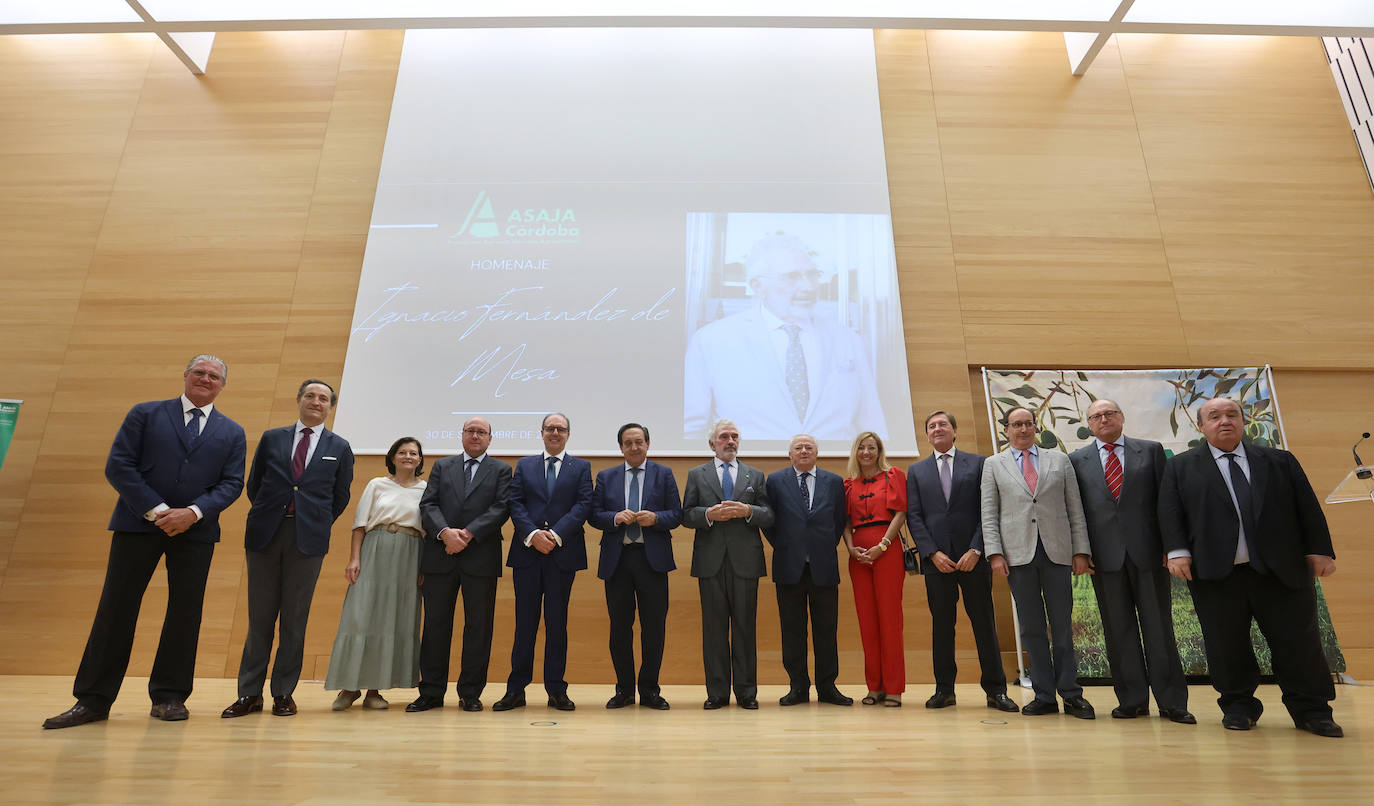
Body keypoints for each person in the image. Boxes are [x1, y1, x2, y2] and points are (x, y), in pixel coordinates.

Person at [44, 355, 247, 729]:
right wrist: (158, 511)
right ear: (185, 376)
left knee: (185, 615)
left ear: (222, 386)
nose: (206, 379)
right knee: (116, 609)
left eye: (214, 376)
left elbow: (232, 484)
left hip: (196, 532)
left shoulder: (233, 432)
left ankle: (169, 696)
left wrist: (193, 513)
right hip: (137, 525)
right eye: (199, 372)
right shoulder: (146, 413)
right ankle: (93, 700)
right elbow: (119, 465)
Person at [1159, 397, 1341, 738]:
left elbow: (1307, 507)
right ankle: (1238, 706)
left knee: (1298, 644)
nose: (1224, 421)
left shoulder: (1279, 461)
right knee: (1226, 645)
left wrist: (1319, 550)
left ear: (1243, 422)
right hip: (1216, 573)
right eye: (1214, 416)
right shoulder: (1181, 467)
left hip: (1280, 571)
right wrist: (1177, 551)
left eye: (1232, 415)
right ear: (1201, 426)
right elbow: (1170, 513)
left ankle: (1312, 710)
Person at [222, 379, 355, 719]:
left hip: (307, 541)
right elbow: (255, 484)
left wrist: (313, 520)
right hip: (265, 535)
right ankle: (248, 693)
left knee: (295, 620)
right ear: (299, 400)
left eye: (323, 398)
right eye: (310, 395)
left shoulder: (339, 447)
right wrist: (275, 513)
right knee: (259, 620)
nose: (316, 401)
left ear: (330, 407)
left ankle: (283, 692)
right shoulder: (272, 438)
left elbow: (339, 498)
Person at [683, 233, 886, 440]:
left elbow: (872, 424)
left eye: (812, 275)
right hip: (752, 468)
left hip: (834, 467)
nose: (808, 286)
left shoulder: (847, 339)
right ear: (758, 286)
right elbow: (692, 429)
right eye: (792, 276)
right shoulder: (712, 340)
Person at [1068, 400, 1193, 724]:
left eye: (1110, 413)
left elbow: (1167, 502)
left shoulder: (1150, 451)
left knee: (1159, 628)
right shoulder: (1076, 460)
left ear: (1122, 417)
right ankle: (1132, 700)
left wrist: (1172, 546)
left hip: (1149, 554)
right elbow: (1076, 512)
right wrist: (1080, 551)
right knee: (1118, 630)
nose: (1104, 419)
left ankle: (1172, 702)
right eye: (1096, 416)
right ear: (1089, 424)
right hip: (1104, 558)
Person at [981, 407, 1095, 719]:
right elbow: (989, 514)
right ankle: (1044, 695)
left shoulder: (1059, 460)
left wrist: (1081, 550)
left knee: (1062, 626)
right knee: (1031, 629)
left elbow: (1075, 509)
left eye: (1028, 423)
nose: (1023, 429)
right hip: (1017, 557)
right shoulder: (993, 465)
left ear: (1035, 427)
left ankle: (1071, 694)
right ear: (1006, 430)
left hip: (1058, 553)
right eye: (1016, 424)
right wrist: (995, 554)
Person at [907, 411, 1018, 713]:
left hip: (973, 559)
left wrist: (976, 549)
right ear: (927, 435)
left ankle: (996, 691)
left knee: (984, 625)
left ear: (955, 431)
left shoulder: (980, 463)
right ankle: (944, 690)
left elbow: (988, 509)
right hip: (936, 562)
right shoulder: (916, 472)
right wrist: (931, 553)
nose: (938, 429)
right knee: (942, 627)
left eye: (943, 424)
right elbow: (915, 517)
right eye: (932, 426)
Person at [408, 416, 512, 713]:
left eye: (482, 432)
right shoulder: (442, 466)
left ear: (490, 439)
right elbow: (428, 504)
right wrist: (445, 533)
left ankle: (470, 692)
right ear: (462, 435)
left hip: (480, 557)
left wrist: (468, 533)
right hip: (441, 556)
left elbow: (501, 508)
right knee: (436, 625)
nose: (476, 436)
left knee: (478, 627)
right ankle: (430, 692)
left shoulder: (502, 470)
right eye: (471, 431)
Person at [494, 412, 593, 712]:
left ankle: (556, 690)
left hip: (563, 555)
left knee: (557, 624)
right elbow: (515, 502)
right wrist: (534, 533)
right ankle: (516, 690)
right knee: (524, 624)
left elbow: (584, 504)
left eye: (560, 429)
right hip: (527, 553)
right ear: (541, 432)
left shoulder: (581, 467)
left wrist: (556, 534)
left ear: (568, 434)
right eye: (550, 428)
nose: (555, 433)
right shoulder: (525, 465)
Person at [324, 437, 427, 711]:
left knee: (393, 620)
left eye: (413, 453)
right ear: (393, 457)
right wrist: (354, 558)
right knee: (361, 616)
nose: (408, 456)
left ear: (420, 460)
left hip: (409, 554)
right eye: (402, 452)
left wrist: (423, 567)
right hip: (375, 549)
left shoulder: (426, 490)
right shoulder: (376, 485)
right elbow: (360, 524)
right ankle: (349, 687)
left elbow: (428, 531)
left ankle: (374, 690)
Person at [589, 423, 683, 710]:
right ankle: (624, 691)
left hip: (652, 560)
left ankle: (650, 690)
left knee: (654, 628)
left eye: (639, 441)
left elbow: (677, 513)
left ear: (647, 444)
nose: (634, 447)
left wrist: (656, 519)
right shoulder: (607, 476)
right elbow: (594, 515)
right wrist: (615, 518)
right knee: (620, 628)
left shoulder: (663, 474)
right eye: (628, 443)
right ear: (620, 447)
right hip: (618, 560)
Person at [682, 419, 774, 710]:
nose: (730, 441)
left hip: (745, 562)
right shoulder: (697, 474)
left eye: (735, 436)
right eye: (724, 437)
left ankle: (747, 693)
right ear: (712, 443)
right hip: (710, 562)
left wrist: (748, 510)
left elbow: (769, 515)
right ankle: (717, 693)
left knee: (746, 629)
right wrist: (708, 514)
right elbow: (686, 515)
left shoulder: (755, 475)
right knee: (714, 630)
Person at [765, 434, 851, 706]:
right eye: (798, 447)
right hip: (788, 566)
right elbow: (769, 522)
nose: (803, 451)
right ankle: (797, 687)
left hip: (823, 566)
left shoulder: (834, 482)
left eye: (808, 447)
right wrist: (787, 546)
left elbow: (839, 521)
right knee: (792, 631)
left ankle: (827, 687)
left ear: (817, 453)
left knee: (827, 630)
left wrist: (820, 547)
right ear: (789, 454)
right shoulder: (776, 481)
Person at [841, 431, 908, 706]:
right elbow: (844, 522)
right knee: (867, 622)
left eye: (872, 447)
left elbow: (901, 512)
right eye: (862, 448)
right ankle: (874, 687)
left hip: (887, 550)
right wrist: (850, 548)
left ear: (879, 451)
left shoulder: (893, 475)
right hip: (858, 555)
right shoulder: (848, 485)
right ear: (855, 452)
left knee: (890, 620)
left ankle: (893, 688)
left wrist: (883, 544)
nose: (866, 452)